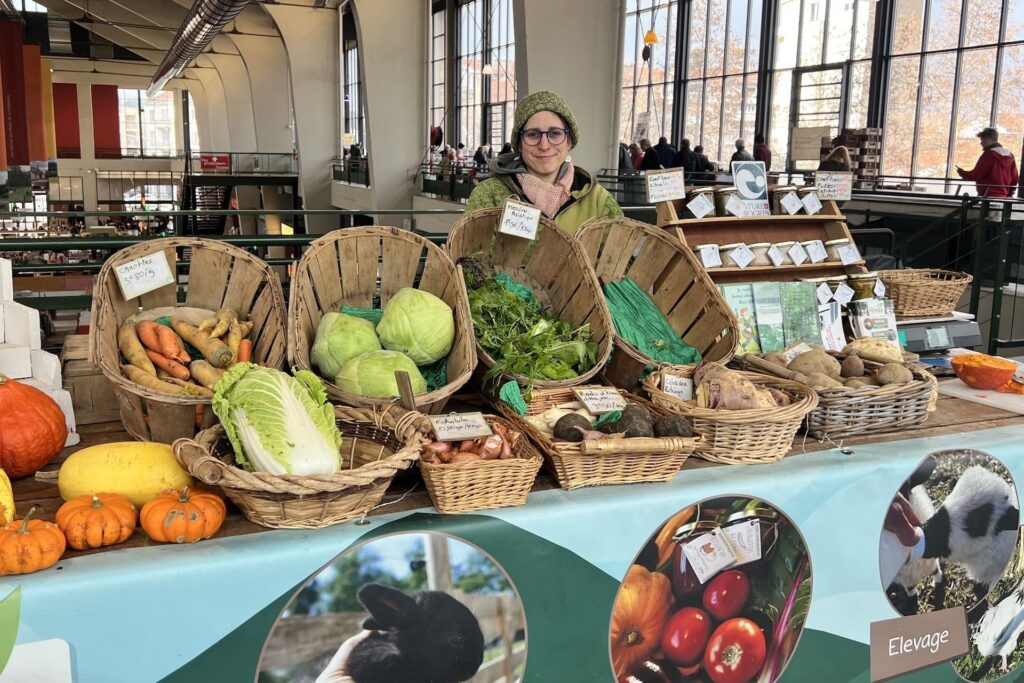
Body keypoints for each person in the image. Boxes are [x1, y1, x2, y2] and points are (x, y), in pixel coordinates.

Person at [465, 90, 622, 234]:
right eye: (533, 134)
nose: (544, 145)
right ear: (519, 144)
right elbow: (469, 257)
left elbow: (621, 260)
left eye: (555, 133)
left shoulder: (597, 200)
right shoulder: (489, 195)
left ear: (569, 141)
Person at [956, 127, 1020, 198]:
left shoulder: (988, 155)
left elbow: (976, 175)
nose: (981, 143)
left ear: (987, 139)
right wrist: (1010, 194)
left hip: (988, 196)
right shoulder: (1010, 156)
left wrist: (961, 172)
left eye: (982, 140)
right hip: (1004, 197)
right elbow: (1015, 178)